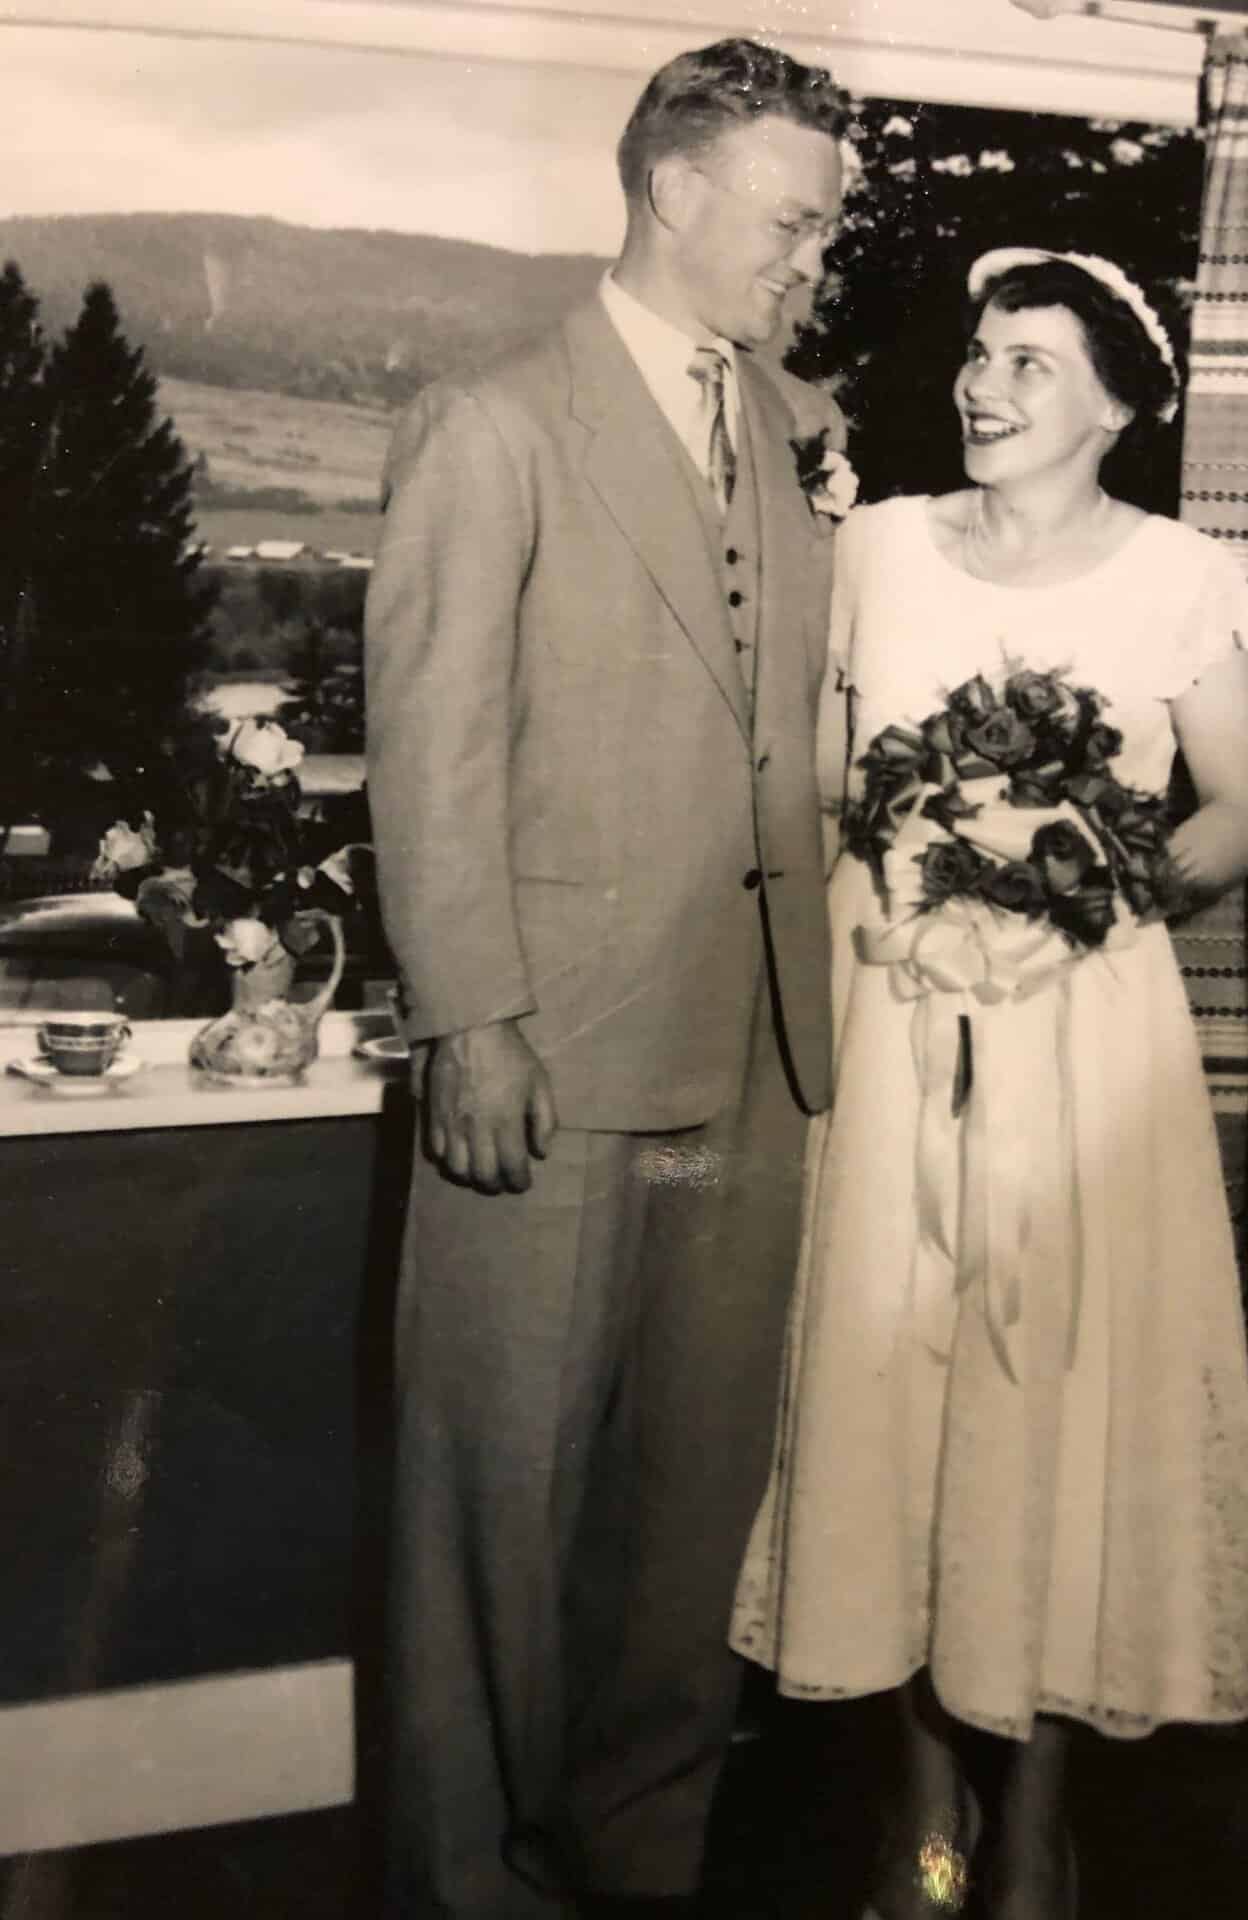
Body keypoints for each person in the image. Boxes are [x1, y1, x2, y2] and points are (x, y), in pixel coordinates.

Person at [730, 249, 1248, 1920]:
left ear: (1118, 402)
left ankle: (1035, 1815)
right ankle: (924, 1806)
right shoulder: (880, 548)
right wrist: (911, 865)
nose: (985, 385)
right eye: (981, 356)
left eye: (1031, 363)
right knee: (895, 1391)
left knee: (1056, 1400)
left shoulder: (1180, 571)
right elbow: (814, 787)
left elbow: (1240, 807)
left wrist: (1083, 889)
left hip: (1083, 1037)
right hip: (891, 1026)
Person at [363, 36, 852, 1920]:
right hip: (551, 1059)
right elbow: (432, 749)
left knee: (686, 1524)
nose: (813, 258)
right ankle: (470, 1893)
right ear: (673, 193)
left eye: (826, 227)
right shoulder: (491, 425)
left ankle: (638, 1870)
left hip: (760, 1068)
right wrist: (470, 1017)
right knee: (491, 1516)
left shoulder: (807, 430)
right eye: (793, 221)